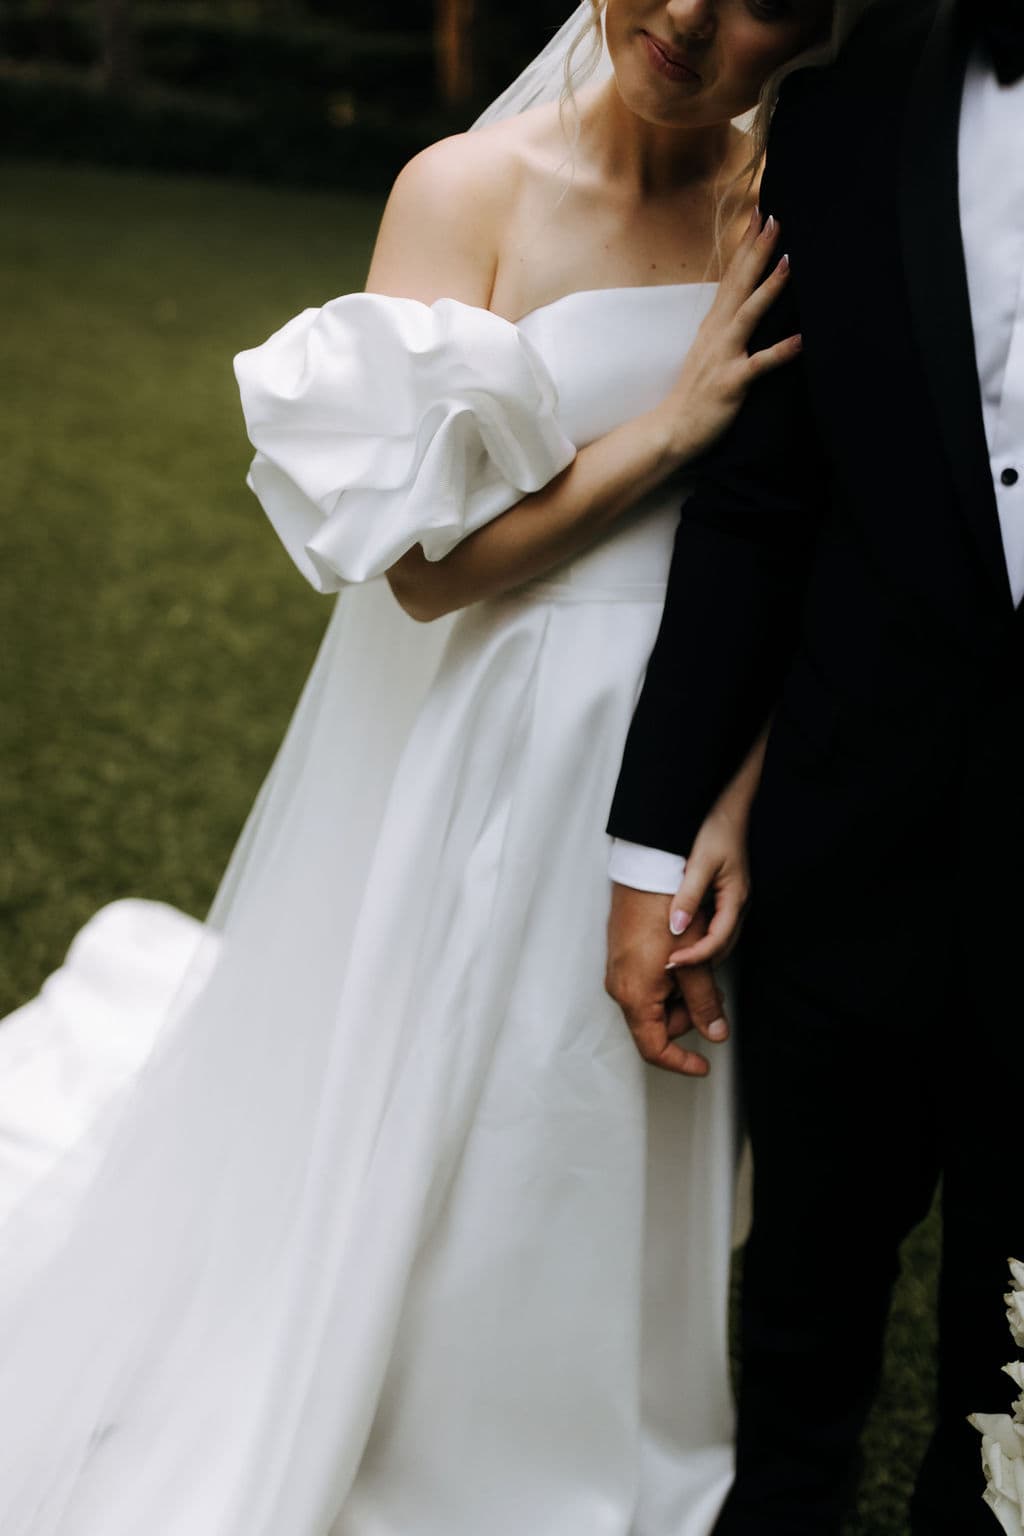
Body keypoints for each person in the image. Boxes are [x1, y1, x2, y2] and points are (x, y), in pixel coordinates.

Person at [0, 2, 857, 1532]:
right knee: (480, 1083)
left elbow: (808, 540)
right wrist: (674, 426)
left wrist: (731, 789)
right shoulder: (468, 189)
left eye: (755, 2)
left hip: (688, 744)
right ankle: (437, 1439)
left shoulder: (783, 192)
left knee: (617, 1102)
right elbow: (424, 574)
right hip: (516, 734)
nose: (687, 18)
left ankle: (608, 1431)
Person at [605, 0, 1024, 1532]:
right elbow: (764, 506)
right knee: (802, 1313)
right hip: (846, 844)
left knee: (1009, 1360)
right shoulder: (849, 113)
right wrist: (656, 842)